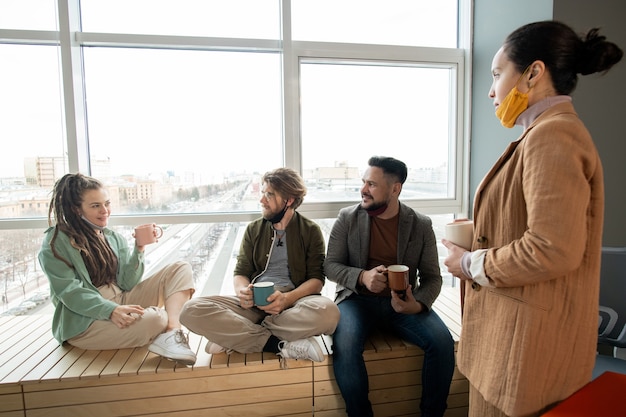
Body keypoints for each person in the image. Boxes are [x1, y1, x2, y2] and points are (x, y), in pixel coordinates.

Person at [443, 20, 623, 417]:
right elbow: (532, 225)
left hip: (527, 351)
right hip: (512, 340)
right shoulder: (540, 134)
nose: (491, 90)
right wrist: (479, 228)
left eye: (496, 74)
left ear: (533, 73)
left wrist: (468, 263)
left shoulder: (553, 135)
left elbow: (552, 248)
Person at [324, 156, 455, 417]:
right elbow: (330, 266)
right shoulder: (347, 218)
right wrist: (363, 277)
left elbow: (433, 277)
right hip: (356, 301)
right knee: (346, 345)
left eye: (371, 184)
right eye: (363, 182)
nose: (363, 189)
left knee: (442, 343)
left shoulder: (420, 224)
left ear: (395, 189)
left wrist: (416, 304)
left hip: (404, 304)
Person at [180, 167, 340, 368]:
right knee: (190, 310)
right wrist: (242, 292)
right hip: (254, 304)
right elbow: (241, 272)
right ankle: (277, 344)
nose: (262, 200)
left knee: (329, 313)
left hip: (292, 306)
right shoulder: (254, 229)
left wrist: (286, 299)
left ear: (288, 200)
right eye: (263, 193)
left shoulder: (310, 231)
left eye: (269, 195)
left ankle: (236, 335)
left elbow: (316, 281)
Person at [39, 173, 197, 365]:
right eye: (95, 206)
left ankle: (172, 332)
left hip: (120, 299)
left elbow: (127, 283)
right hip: (86, 321)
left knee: (180, 268)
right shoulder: (55, 243)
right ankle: (163, 327)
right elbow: (69, 292)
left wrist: (139, 248)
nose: (105, 210)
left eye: (107, 203)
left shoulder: (112, 237)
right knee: (156, 319)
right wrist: (110, 310)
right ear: (75, 209)